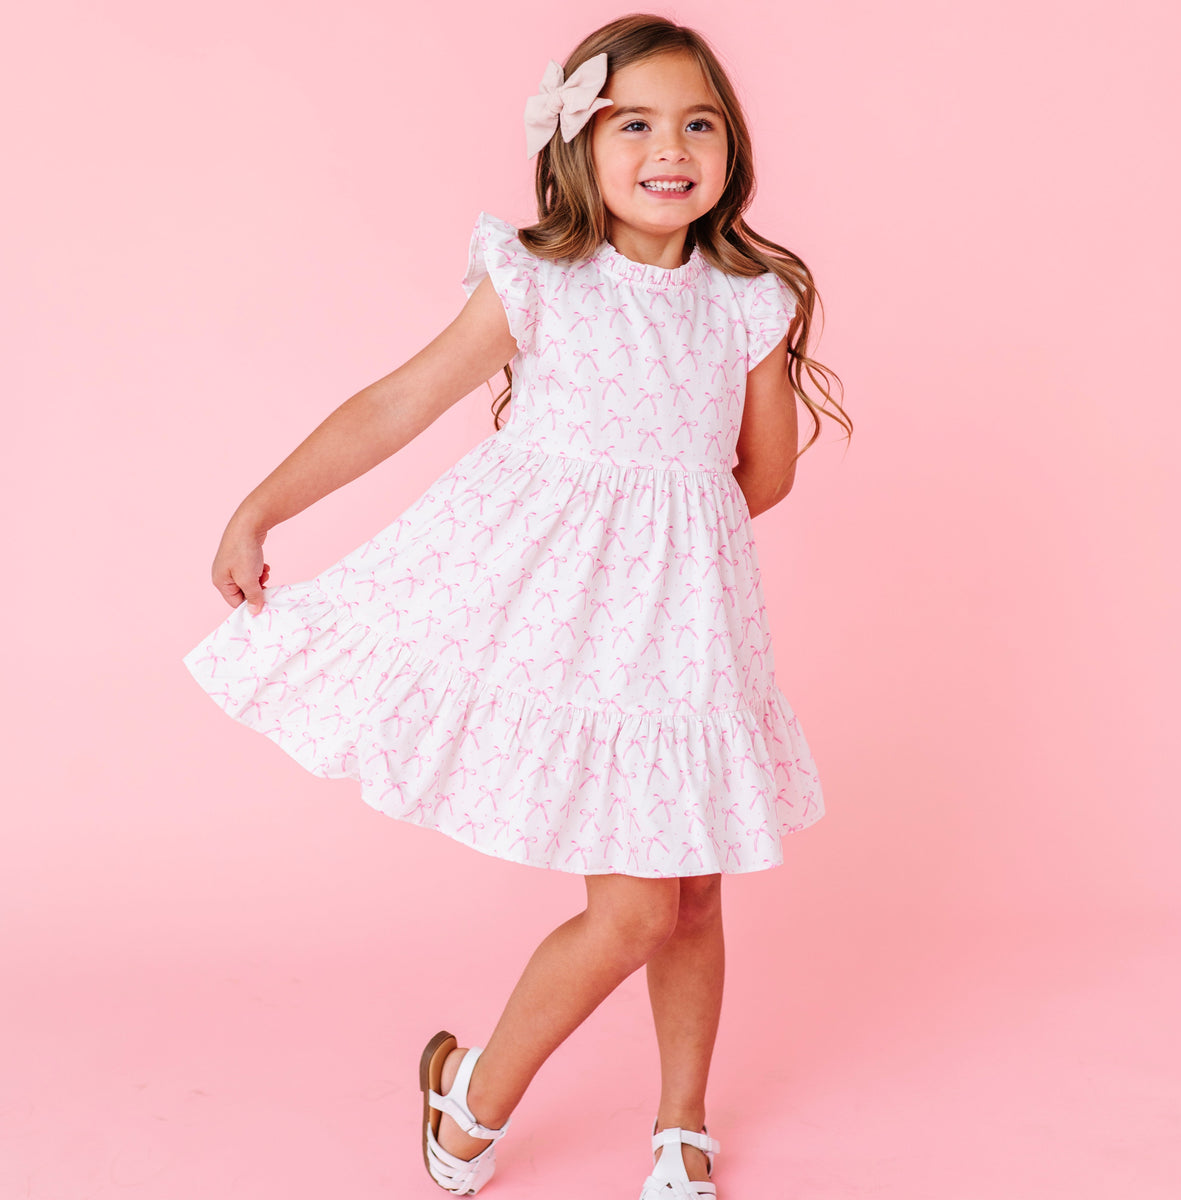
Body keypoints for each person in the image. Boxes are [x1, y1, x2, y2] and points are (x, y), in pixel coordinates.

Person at [183, 12, 850, 1198]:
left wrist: (667, 548)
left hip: (687, 639)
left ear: (731, 148)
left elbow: (768, 471)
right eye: (633, 121)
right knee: (639, 909)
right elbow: (400, 402)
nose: (670, 147)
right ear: (577, 144)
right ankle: (475, 1087)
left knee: (694, 890)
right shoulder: (543, 281)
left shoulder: (748, 300)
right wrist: (261, 506)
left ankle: (680, 1125)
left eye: (699, 122)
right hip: (565, 632)